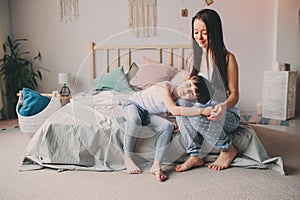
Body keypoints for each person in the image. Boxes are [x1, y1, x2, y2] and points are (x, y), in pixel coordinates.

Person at [175, 8, 240, 172]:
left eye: (204, 32)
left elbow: (234, 95)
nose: (199, 37)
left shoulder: (227, 59)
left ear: (215, 32)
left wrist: (223, 106)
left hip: (225, 114)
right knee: (182, 106)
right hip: (203, 109)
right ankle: (195, 154)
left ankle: (227, 149)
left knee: (196, 113)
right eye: (196, 32)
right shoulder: (192, 58)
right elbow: (188, 93)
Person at [123, 75, 213, 182]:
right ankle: (127, 157)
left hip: (148, 115)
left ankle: (156, 165)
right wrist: (202, 111)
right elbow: (174, 110)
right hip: (133, 105)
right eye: (189, 85)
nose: (187, 90)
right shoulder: (165, 86)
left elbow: (164, 111)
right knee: (135, 120)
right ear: (186, 79)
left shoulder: (179, 102)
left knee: (168, 126)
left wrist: (172, 121)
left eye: (192, 93)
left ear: (193, 99)